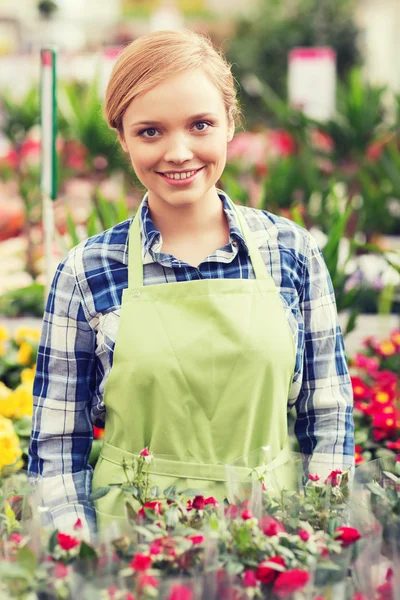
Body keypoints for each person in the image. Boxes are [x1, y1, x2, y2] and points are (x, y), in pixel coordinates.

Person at [28, 29, 354, 536]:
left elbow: (328, 418)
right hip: (130, 554)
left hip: (271, 548)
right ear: (122, 138)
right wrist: (82, 558)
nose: (178, 152)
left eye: (200, 124)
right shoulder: (86, 271)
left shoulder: (291, 253)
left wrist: (318, 541)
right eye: (150, 131)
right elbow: (55, 446)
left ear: (230, 125)